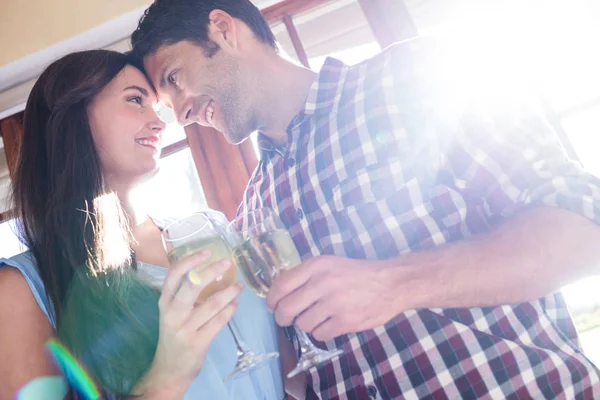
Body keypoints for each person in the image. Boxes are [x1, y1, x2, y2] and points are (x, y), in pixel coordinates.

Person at [131, 0, 600, 398]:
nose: (184, 113)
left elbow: (584, 226)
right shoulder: (254, 210)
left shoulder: (415, 77)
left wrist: (395, 283)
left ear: (223, 29)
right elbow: (306, 368)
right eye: (169, 109)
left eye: (175, 78)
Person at [0, 49, 284, 399]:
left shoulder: (211, 231)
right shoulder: (23, 290)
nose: (161, 122)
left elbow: (282, 371)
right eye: (135, 100)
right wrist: (165, 378)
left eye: (156, 106)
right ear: (73, 119)